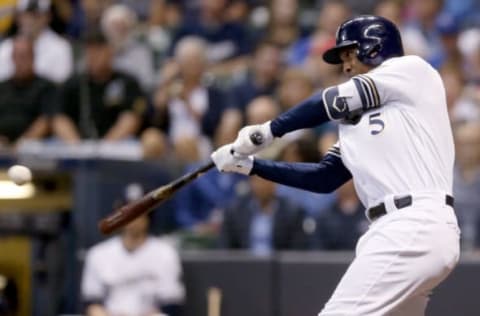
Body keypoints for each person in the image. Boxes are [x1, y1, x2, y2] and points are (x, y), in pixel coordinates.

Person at [211, 15, 460, 315]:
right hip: (401, 229)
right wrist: (251, 166)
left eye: (349, 54)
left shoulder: (411, 71)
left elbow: (328, 101)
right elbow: (324, 178)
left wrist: (268, 130)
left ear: (374, 46)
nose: (345, 66)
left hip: (413, 224)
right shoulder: (356, 124)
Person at [52, 29, 146, 142]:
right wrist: (75, 145)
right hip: (80, 145)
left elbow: (133, 117)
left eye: (98, 50)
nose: (93, 56)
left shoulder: (127, 82)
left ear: (110, 51)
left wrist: (106, 146)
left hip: (119, 144)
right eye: (89, 50)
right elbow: (59, 117)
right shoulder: (74, 83)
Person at [81, 214, 185, 316]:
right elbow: (91, 302)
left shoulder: (165, 253)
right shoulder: (98, 253)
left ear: (148, 218)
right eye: (128, 212)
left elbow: (172, 304)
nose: (132, 220)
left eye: (137, 213)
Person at [219, 176, 307, 254]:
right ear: (251, 182)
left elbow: (297, 251)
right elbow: (226, 247)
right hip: (244, 268)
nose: (262, 185)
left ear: (275, 183)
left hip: (279, 268)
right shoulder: (235, 211)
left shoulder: (292, 212)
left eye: (266, 180)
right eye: (258, 180)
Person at [0, 0, 73, 84]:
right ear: (18, 17)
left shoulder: (61, 48)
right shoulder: (6, 48)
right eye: (27, 14)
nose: (31, 20)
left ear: (48, 17)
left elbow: (61, 85)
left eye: (37, 15)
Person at [0, 36, 55, 146]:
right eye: (18, 56)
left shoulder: (46, 87)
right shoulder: (2, 87)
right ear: (12, 58)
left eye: (25, 56)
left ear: (33, 57)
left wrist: (21, 144)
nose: (21, 61)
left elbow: (47, 119)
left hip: (35, 147)